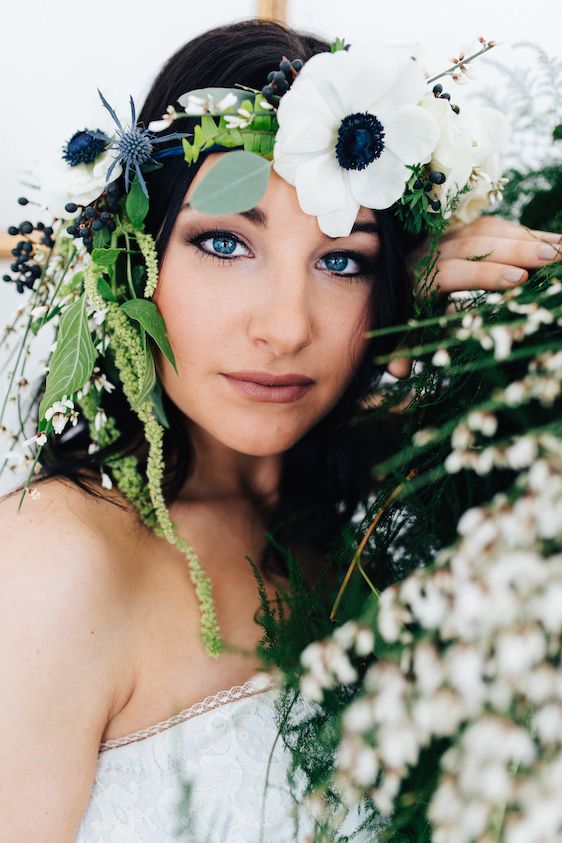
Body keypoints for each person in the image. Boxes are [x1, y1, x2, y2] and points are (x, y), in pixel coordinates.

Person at [1, 17, 561, 843]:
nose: (286, 328)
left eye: (341, 261)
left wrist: (413, 336)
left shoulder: (365, 530)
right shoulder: (55, 565)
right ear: (136, 260)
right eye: (225, 242)